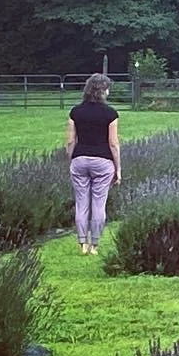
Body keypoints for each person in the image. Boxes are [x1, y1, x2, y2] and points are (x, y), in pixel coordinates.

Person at [67, 72, 120, 255]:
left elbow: (70, 141)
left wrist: (71, 160)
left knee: (82, 203)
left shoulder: (75, 112)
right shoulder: (110, 114)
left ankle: (82, 243)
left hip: (80, 160)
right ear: (103, 90)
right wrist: (118, 169)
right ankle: (94, 245)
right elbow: (113, 143)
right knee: (99, 204)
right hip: (103, 162)